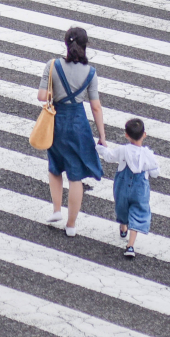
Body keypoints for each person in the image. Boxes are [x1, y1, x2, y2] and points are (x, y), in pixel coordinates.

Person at [35, 25, 104, 233]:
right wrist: (102, 136)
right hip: (78, 124)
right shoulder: (91, 73)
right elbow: (95, 107)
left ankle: (56, 209)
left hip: (56, 121)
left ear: (66, 44)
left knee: (54, 166)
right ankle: (71, 225)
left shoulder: (53, 65)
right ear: (85, 46)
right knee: (75, 176)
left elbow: (41, 96)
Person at [102, 117, 161, 258]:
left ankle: (123, 226)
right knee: (138, 212)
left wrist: (101, 147)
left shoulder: (122, 150)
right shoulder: (147, 154)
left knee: (122, 207)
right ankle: (130, 246)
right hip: (140, 189)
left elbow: (109, 157)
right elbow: (155, 172)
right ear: (144, 135)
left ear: (126, 135)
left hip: (122, 186)